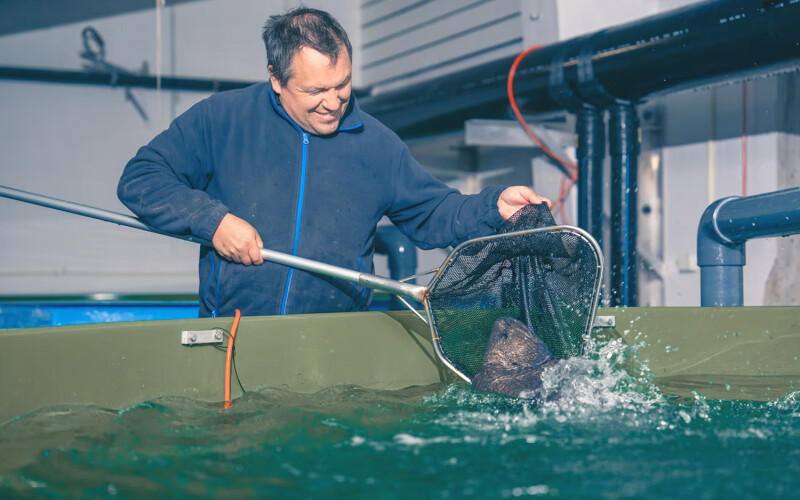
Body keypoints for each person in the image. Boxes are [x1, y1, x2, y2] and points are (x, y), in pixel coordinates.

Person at [118, 7, 550, 318]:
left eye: (342, 84)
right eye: (315, 91)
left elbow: (434, 212)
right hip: (232, 341)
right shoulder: (221, 119)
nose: (333, 102)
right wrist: (212, 221)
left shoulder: (378, 146)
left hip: (336, 343)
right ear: (275, 78)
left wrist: (494, 206)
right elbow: (141, 178)